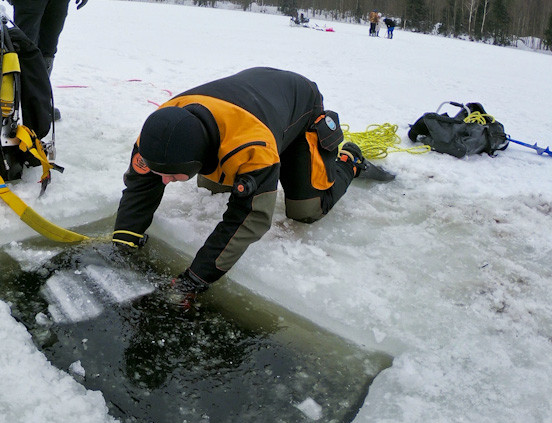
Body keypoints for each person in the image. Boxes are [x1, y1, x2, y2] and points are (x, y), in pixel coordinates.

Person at [111, 67, 395, 307]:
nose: (163, 181)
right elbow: (141, 186)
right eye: (162, 173)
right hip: (251, 102)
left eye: (171, 177)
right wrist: (123, 243)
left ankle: (350, 161)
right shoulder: (159, 131)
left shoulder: (250, 148)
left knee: (306, 210)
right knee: (212, 188)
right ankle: (268, 161)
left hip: (299, 106)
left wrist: (194, 280)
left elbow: (251, 218)